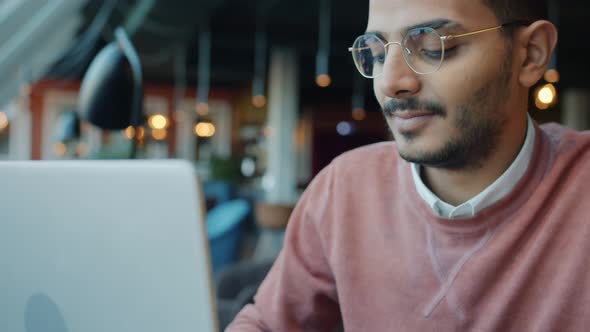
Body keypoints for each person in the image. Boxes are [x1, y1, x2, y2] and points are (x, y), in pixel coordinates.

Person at [227, 0, 589, 330]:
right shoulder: (346, 187)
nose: (390, 82)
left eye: (434, 47)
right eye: (377, 53)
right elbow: (267, 322)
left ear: (530, 54)